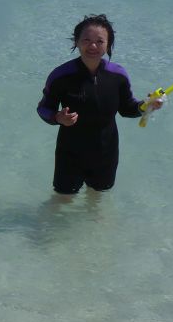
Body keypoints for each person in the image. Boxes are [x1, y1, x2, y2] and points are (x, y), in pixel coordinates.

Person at [36, 14, 161, 195]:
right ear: (77, 42)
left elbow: (127, 108)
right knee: (63, 199)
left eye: (99, 41)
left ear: (108, 44)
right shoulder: (61, 76)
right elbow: (43, 108)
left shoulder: (118, 75)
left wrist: (147, 105)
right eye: (86, 40)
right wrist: (58, 117)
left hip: (106, 151)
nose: (92, 46)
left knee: (97, 200)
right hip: (70, 153)